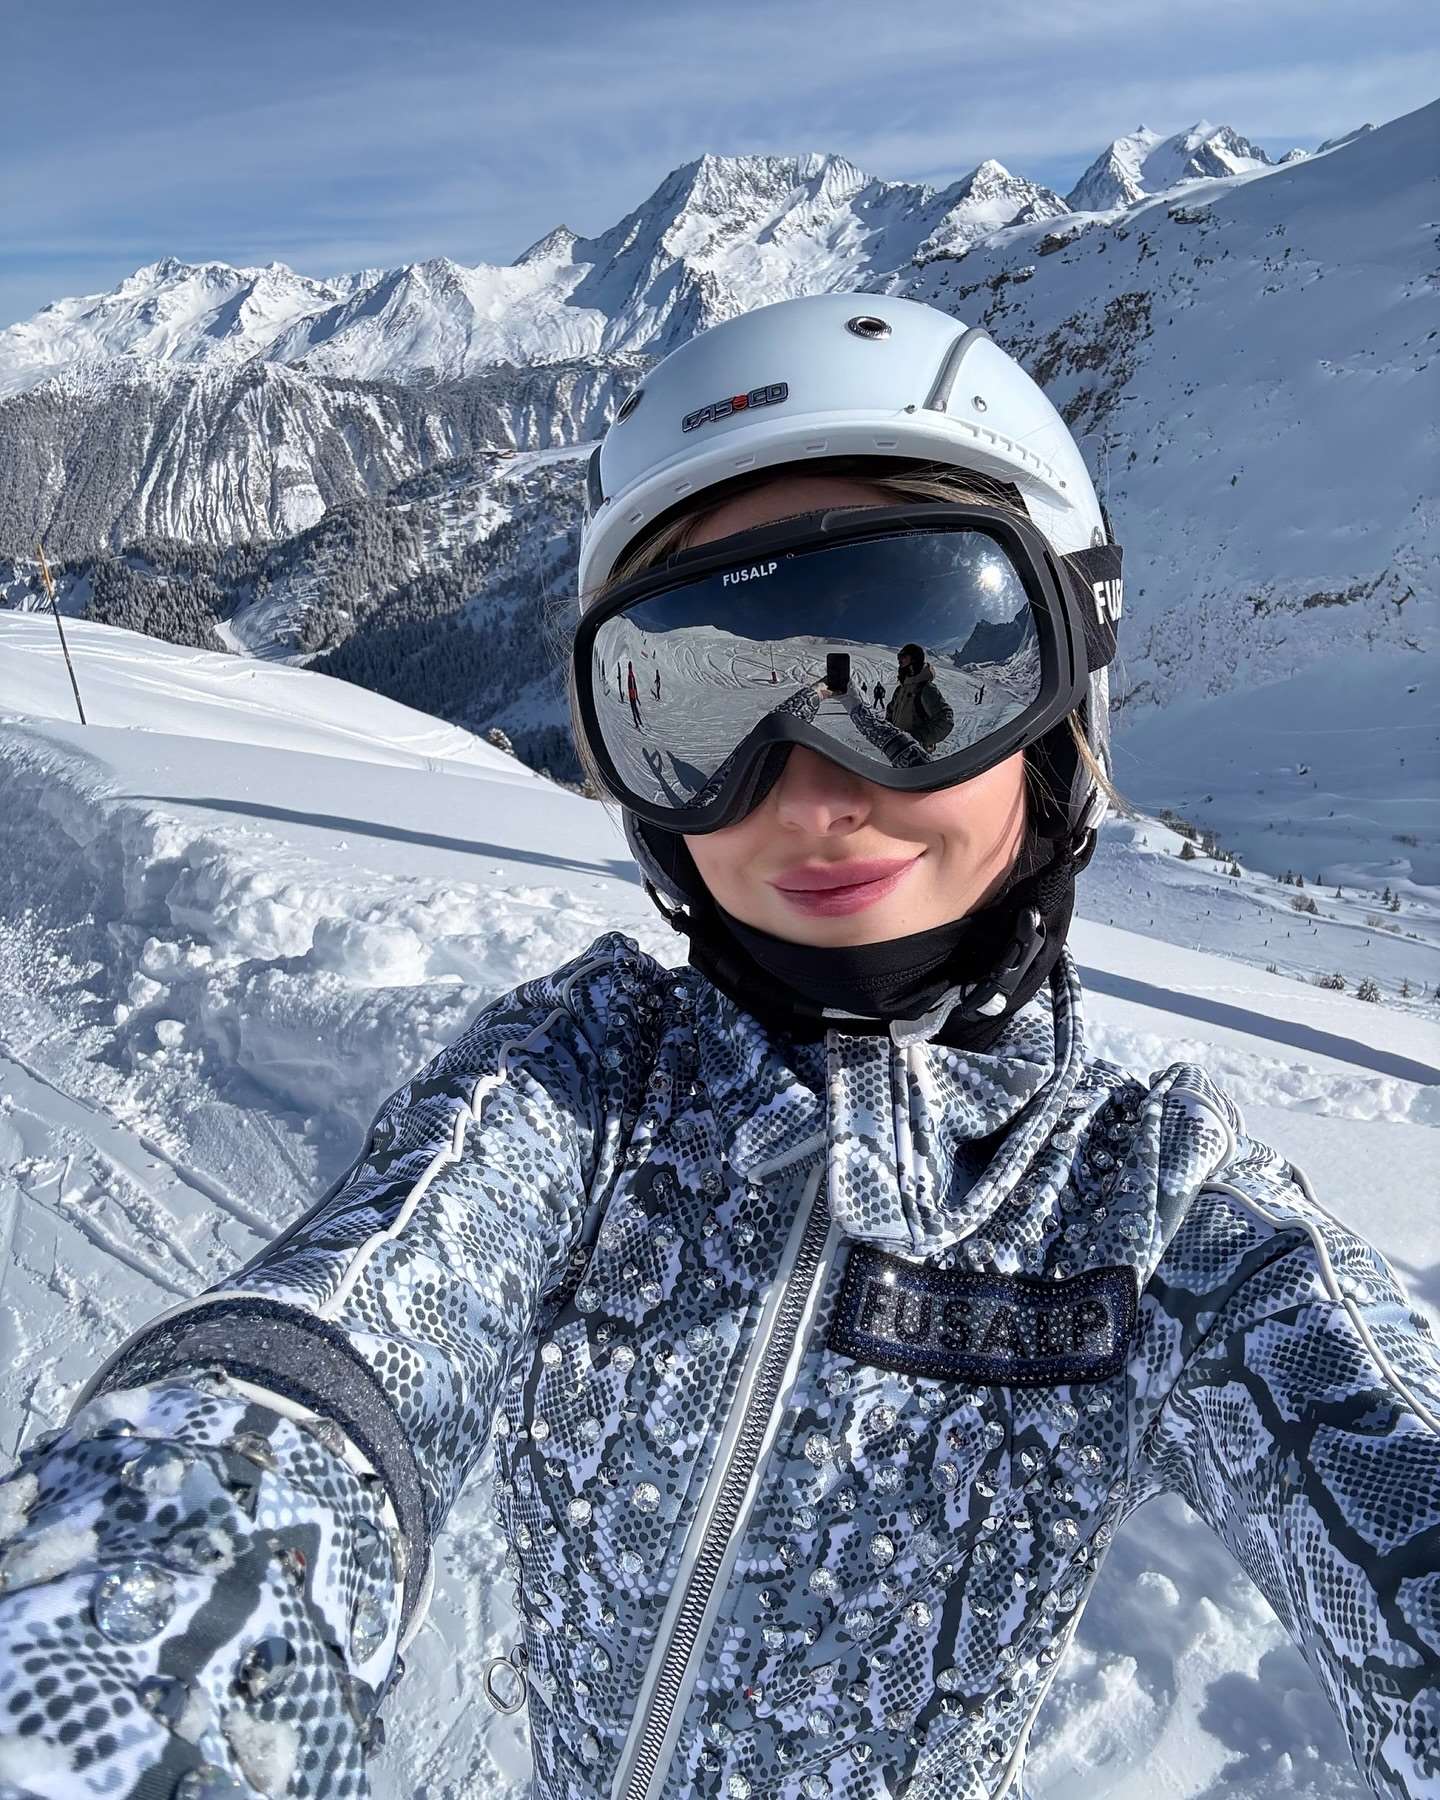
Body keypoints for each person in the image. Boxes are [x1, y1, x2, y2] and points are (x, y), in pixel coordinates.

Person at [1, 292, 1435, 1800]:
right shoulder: (581, 1089)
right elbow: (337, 1335)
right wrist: (131, 1635)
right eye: (701, 706)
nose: (812, 794)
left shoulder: (1148, 1216)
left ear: (1065, 693)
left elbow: (1378, 1448)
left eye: (912, 673)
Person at [885, 642, 955, 749]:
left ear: (914, 659)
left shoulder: (925, 688)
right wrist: (888, 729)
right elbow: (890, 711)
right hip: (897, 749)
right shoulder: (901, 689)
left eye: (903, 656)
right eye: (898, 657)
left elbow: (945, 720)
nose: (899, 660)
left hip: (915, 751)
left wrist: (917, 738)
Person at [627, 658, 643, 730]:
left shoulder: (630, 676)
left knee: (633, 710)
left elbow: (631, 686)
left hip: (632, 695)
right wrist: (636, 695)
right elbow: (635, 686)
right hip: (633, 694)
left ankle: (637, 724)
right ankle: (640, 722)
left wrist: (633, 695)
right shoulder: (632, 675)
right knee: (635, 709)